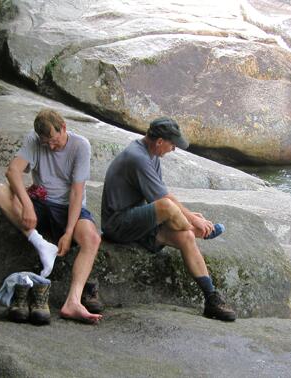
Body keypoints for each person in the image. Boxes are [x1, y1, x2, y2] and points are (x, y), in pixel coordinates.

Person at [101, 116, 236, 321]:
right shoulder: (137, 157)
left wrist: (187, 214)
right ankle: (196, 230)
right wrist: (192, 219)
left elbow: (160, 194)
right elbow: (163, 201)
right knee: (170, 209)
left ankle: (211, 298)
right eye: (173, 144)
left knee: (185, 239)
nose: (173, 149)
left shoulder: (152, 154)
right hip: (119, 225)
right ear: (160, 142)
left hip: (138, 223)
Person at [0, 108, 102, 324]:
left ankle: (73, 301)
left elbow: (77, 192)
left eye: (53, 140)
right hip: (39, 201)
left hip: (67, 206)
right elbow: (12, 171)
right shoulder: (34, 140)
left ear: (63, 128)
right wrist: (27, 205)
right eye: (45, 142)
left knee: (92, 238)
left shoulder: (80, 146)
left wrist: (68, 232)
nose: (50, 146)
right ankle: (40, 243)